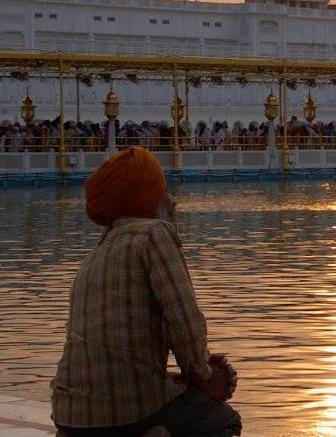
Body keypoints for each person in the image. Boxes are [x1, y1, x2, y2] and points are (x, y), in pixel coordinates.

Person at [51, 147, 241, 437]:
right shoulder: (153, 234)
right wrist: (202, 376)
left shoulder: (97, 252)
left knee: (181, 398)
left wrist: (193, 372)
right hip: (124, 413)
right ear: (146, 201)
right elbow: (184, 320)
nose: (172, 201)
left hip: (70, 416)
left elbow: (120, 356)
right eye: (162, 192)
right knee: (223, 421)